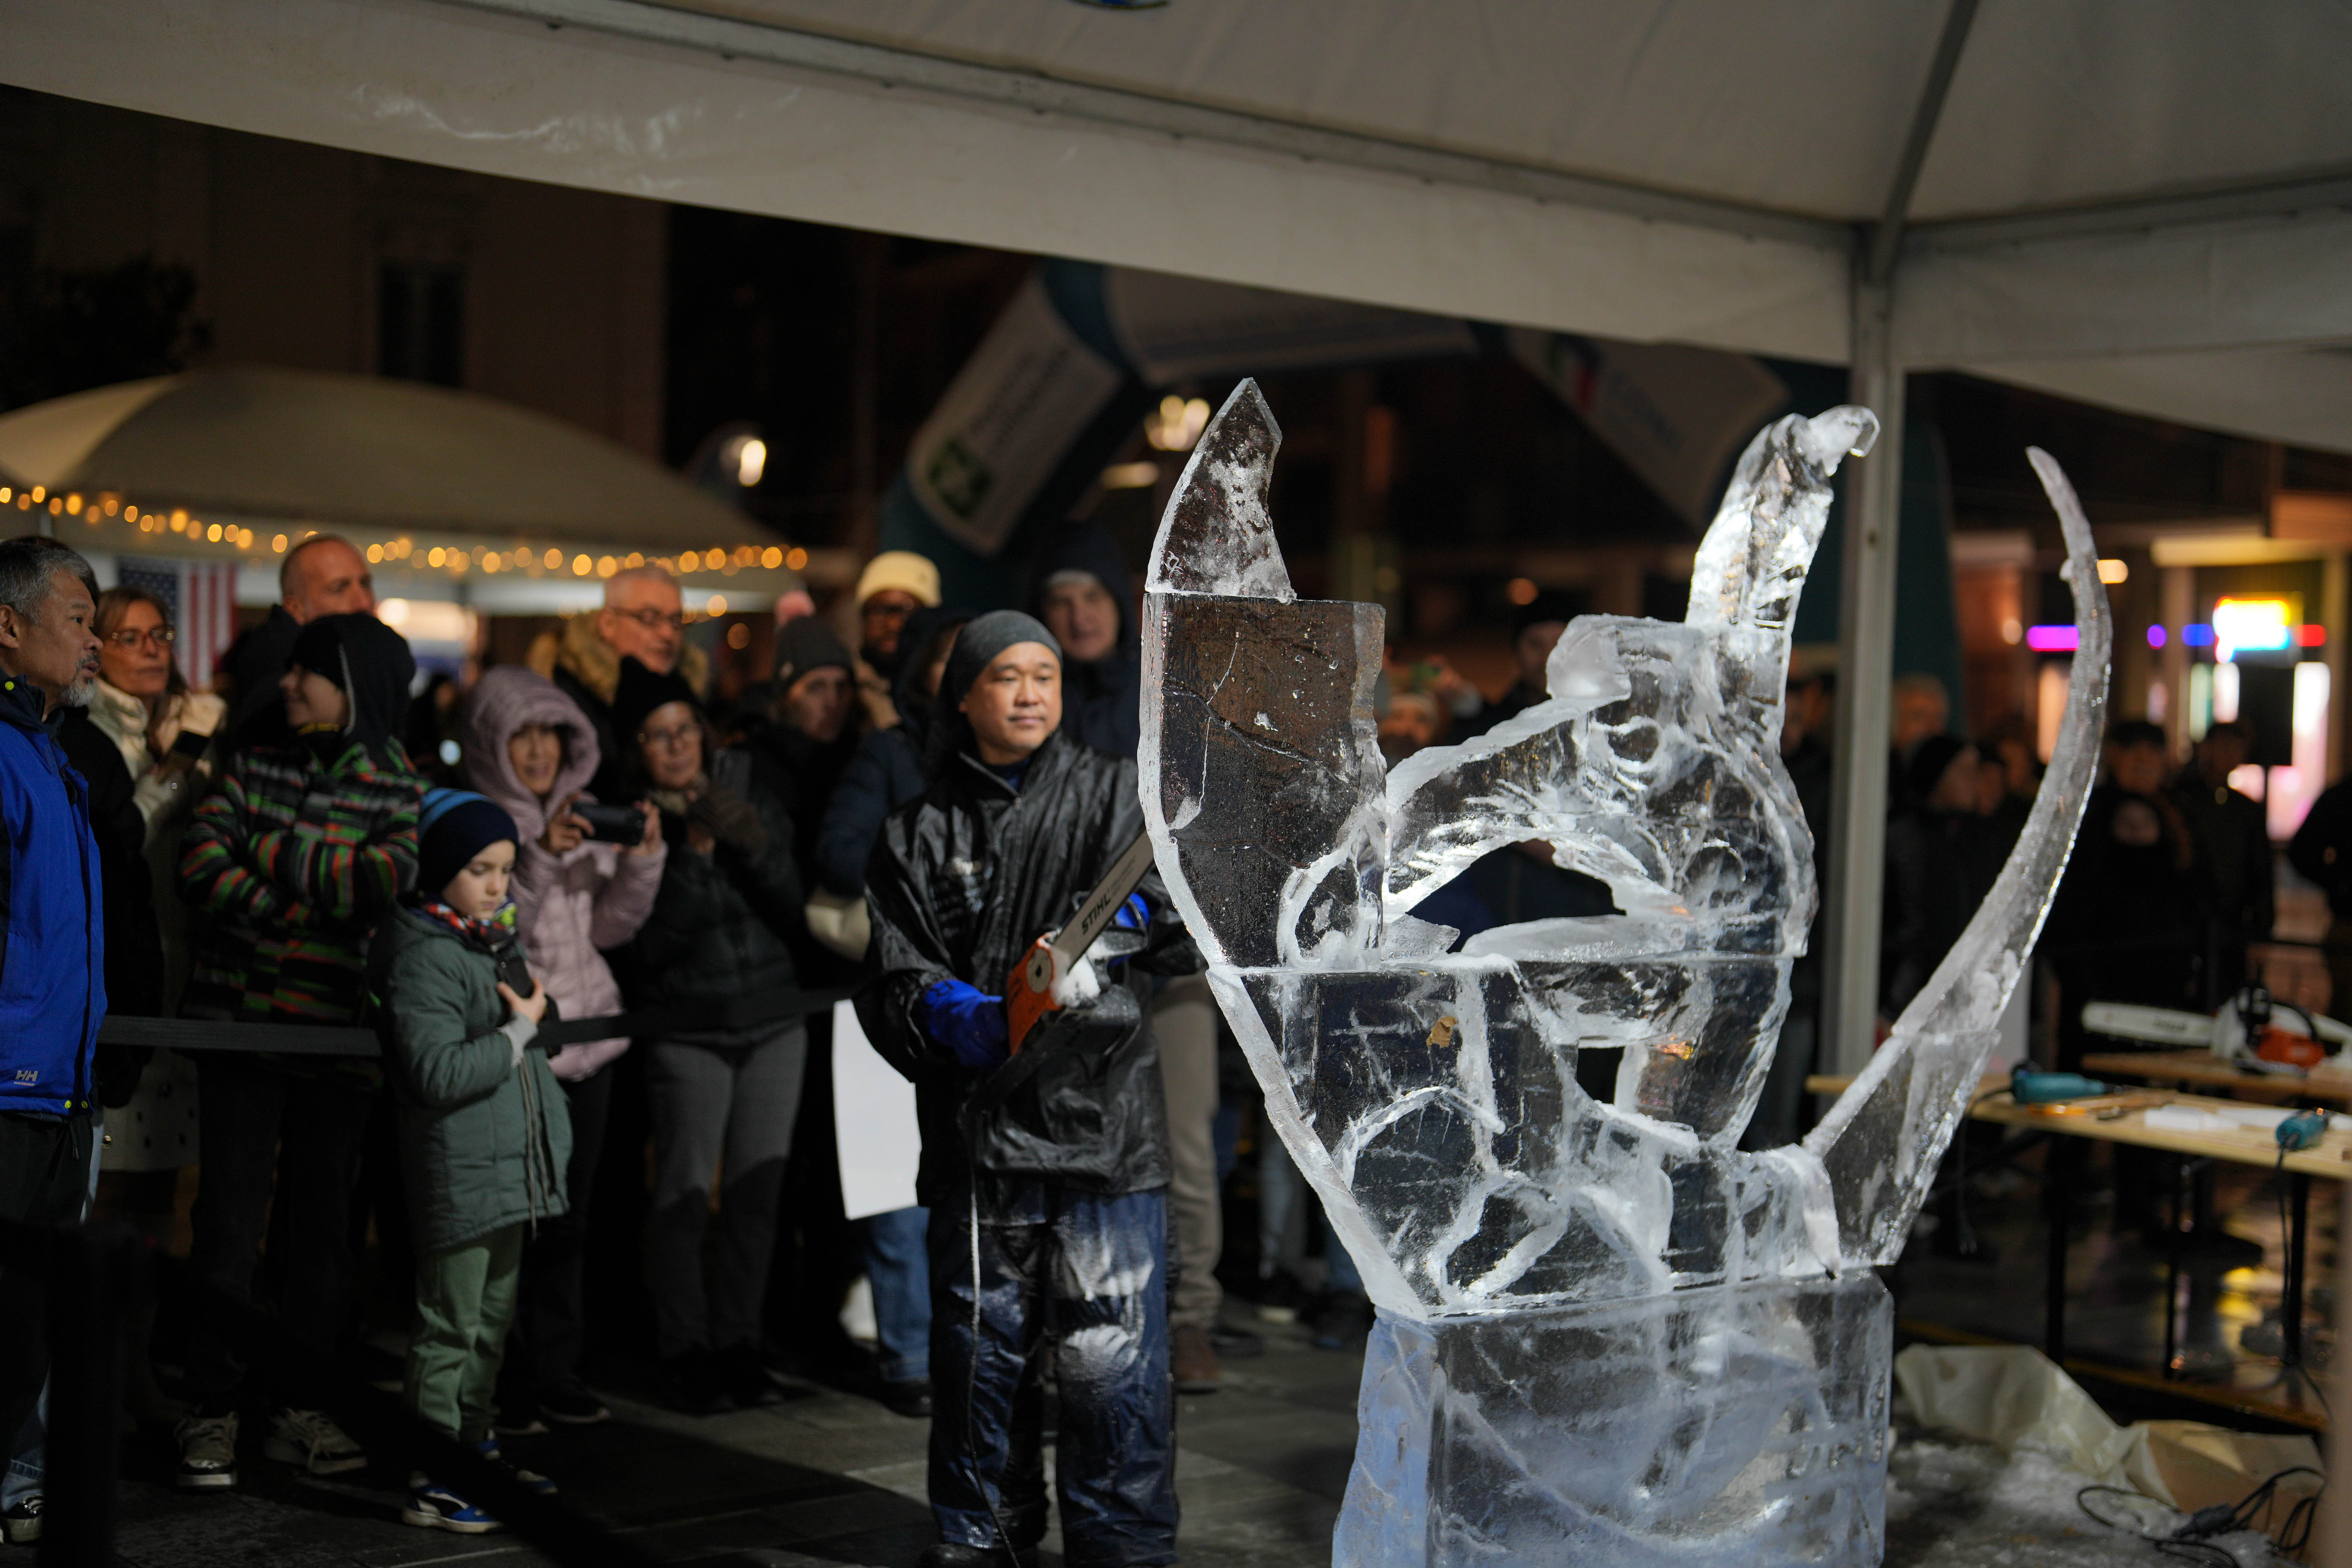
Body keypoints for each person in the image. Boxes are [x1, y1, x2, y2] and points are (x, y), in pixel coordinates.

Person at [859, 610, 1201, 1568]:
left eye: (1044, 675)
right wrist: (963, 1016)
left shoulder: (1114, 799)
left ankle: (1122, 1541)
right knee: (980, 1354)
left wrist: (1116, 935)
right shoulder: (914, 833)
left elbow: (1176, 918)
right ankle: (982, 1529)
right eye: (1005, 675)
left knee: (1111, 1362)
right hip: (982, 1134)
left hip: (1106, 1129)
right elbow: (894, 974)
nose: (1027, 693)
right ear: (962, 694)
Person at [175, 612, 426, 1489]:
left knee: (320, 1233)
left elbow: (378, 884)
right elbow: (201, 863)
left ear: (352, 684)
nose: (290, 683)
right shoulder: (259, 758)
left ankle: (298, 1408)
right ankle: (208, 1410)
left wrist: (270, 854)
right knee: (228, 1224)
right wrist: (305, 899)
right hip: (240, 1028)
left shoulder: (400, 787)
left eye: (309, 673)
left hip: (337, 1036)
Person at [458, 667, 665, 1432]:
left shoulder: (581, 815)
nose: (539, 750)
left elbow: (610, 928)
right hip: (518, 1043)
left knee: (572, 1215)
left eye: (552, 734)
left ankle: (556, 1366)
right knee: (514, 1215)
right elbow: (496, 927)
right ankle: (503, 1369)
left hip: (592, 1037)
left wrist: (642, 857)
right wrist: (538, 853)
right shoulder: (473, 820)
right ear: (493, 742)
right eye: (523, 735)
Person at [606, 657, 810, 1415]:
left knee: (757, 1195)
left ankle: (740, 1342)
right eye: (658, 735)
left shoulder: (748, 787)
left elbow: (793, 905)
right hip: (688, 1027)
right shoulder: (630, 817)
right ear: (639, 748)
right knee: (684, 1194)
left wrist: (753, 842)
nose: (676, 745)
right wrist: (692, 853)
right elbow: (649, 949)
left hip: (774, 1016)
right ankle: (685, 1347)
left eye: (685, 727)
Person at [369, 789, 571, 1534]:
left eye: (506, 870)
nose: (496, 885)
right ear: (438, 869)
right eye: (479, 869)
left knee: (490, 1321)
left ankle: (474, 1448)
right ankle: (435, 1473)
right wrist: (518, 1034)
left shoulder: (488, 941)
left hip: (507, 1169)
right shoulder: (425, 955)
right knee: (450, 1324)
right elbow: (437, 1073)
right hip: (459, 1170)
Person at [812, 605, 971, 1420]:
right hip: (890, 991)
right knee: (894, 1187)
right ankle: (908, 1351)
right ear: (920, 671)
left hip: (980, 996)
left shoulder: (1022, 763)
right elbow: (837, 851)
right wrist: (936, 858)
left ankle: (975, 1349)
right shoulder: (887, 753)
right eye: (951, 657)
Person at [75, 585, 224, 1423]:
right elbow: (114, 839)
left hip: (178, 972)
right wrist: (176, 763)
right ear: (96, 649)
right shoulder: (88, 732)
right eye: (126, 636)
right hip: (117, 984)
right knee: (105, 1194)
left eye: (158, 633)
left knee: (161, 1195)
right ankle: (98, 1379)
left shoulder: (196, 722)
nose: (148, 647)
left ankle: (138, 1372)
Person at [0, 538, 107, 1488]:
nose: (96, 644)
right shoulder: (5, 752)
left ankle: (13, 1479)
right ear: (9, 625)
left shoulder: (49, 752)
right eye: (77, 620)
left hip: (55, 1086)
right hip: (8, 1084)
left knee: (27, 1311)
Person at [528, 566, 707, 801]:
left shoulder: (686, 693)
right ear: (608, 624)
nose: (667, 633)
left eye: (675, 621)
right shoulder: (566, 705)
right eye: (649, 618)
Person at [219, 533, 378, 750]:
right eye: (339, 588)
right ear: (295, 608)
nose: (364, 602)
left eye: (366, 584)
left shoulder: (355, 655)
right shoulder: (274, 666)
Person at [2171, 720, 2273, 1003]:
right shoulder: (2182, 798)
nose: (2229, 755)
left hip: (2232, 921)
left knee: (2228, 991)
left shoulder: (2245, 809)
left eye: (2236, 749)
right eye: (2222, 747)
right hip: (2188, 917)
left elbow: (2261, 872)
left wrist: (2262, 928)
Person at [1032, 526, 1142, 758]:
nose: (1079, 618)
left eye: (1094, 597)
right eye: (1062, 602)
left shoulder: (1172, 691)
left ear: (1120, 604)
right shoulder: (1026, 697)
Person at [851, 550, 941, 730]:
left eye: (907, 611)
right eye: (880, 609)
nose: (894, 625)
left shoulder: (948, 696)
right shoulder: (843, 691)